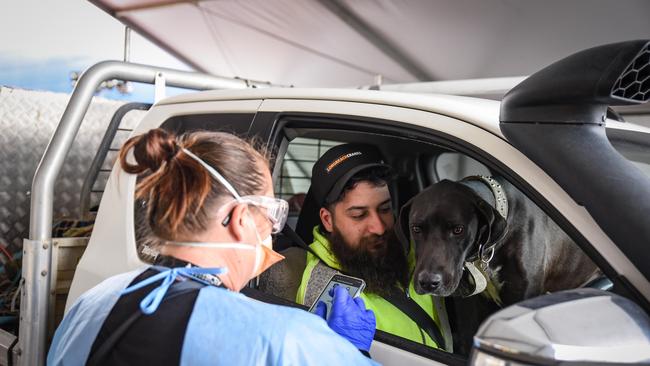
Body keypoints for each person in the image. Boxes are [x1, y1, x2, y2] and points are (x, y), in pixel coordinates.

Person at [47, 129, 378, 365]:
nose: (273, 231)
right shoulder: (285, 338)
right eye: (271, 215)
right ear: (239, 219)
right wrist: (348, 351)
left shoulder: (94, 302)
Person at [296, 143, 449, 350]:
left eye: (385, 209)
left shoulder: (407, 249)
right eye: (359, 215)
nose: (378, 227)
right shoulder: (325, 291)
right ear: (328, 220)